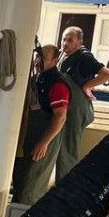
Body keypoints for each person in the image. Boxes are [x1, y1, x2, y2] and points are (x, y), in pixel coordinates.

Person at [12, 45, 69, 205]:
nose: (38, 61)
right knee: (20, 181)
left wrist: (44, 143)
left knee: (30, 188)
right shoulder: (36, 79)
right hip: (28, 137)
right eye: (37, 57)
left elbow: (60, 117)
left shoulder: (57, 84)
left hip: (44, 139)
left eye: (43, 58)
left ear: (55, 61)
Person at [55, 26, 109, 178]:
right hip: (67, 106)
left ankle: (66, 186)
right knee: (61, 146)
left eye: (70, 40)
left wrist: (87, 86)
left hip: (77, 109)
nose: (65, 43)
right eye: (64, 39)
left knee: (68, 148)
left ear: (79, 42)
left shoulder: (84, 57)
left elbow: (107, 74)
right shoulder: (64, 56)